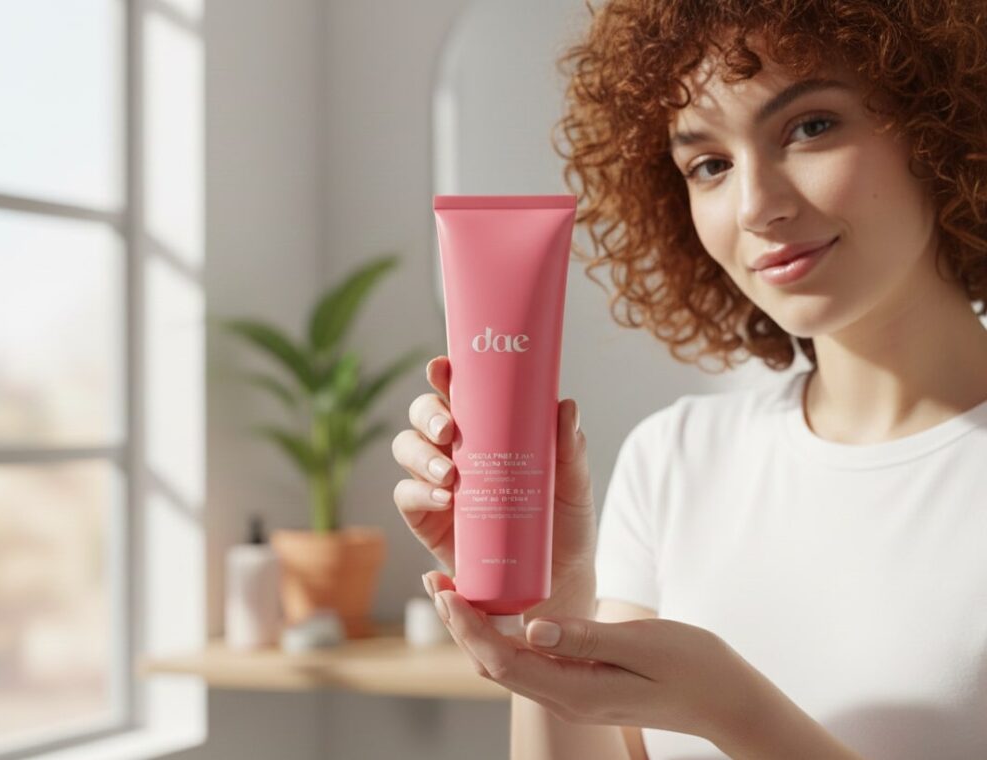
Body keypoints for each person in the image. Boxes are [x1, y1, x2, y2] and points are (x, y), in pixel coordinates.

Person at [391, 1, 987, 757]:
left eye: (810, 127)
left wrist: (735, 713)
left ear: (941, 123)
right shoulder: (675, 458)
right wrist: (547, 612)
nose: (756, 206)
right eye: (710, 164)